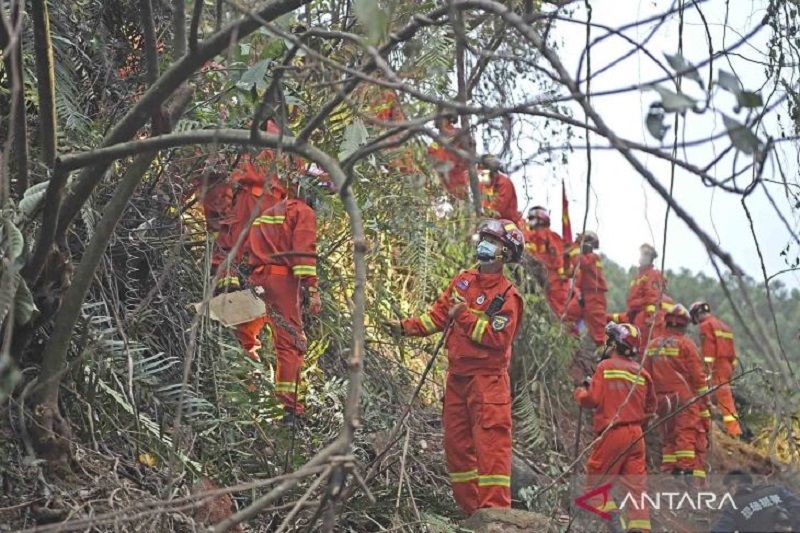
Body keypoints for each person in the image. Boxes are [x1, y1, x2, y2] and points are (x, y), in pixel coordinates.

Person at [386, 219, 524, 515]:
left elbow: (496, 338)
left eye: (493, 241)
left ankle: (496, 519)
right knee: (457, 449)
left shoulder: (508, 297)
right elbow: (437, 317)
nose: (485, 244)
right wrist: (403, 328)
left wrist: (463, 316)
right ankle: (472, 515)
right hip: (457, 380)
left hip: (488, 383)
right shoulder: (463, 280)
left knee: (491, 452)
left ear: (505, 252)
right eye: (484, 238)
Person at [574, 322, 656, 533]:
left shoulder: (605, 367)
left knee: (594, 485)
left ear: (615, 344)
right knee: (636, 489)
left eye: (610, 341)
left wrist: (580, 393)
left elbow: (591, 399)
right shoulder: (642, 373)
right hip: (637, 437)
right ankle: (640, 529)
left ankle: (613, 522)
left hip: (614, 433)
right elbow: (651, 406)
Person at [643, 304, 708, 482]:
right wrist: (705, 400)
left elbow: (645, 376)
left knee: (668, 436)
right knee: (685, 434)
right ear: (684, 325)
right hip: (684, 400)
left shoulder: (652, 345)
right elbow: (698, 376)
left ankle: (668, 470)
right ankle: (684, 473)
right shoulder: (686, 344)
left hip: (662, 401)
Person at [689, 301, 743, 438]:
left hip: (716, 368)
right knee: (720, 397)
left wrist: (707, 370)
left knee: (722, 400)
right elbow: (733, 352)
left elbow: (708, 351)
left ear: (697, 314)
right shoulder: (725, 326)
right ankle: (725, 429)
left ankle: (733, 432)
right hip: (727, 366)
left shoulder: (705, 326)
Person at [711, 470, 800, 532]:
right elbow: (796, 505)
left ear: (733, 486)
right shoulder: (776, 490)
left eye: (727, 490)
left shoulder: (734, 507)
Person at [564, 231, 608, 346]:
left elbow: (582, 263)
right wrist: (566, 257)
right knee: (568, 318)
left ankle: (605, 357)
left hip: (595, 297)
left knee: (598, 333)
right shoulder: (581, 259)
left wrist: (573, 250)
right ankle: (573, 344)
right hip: (582, 296)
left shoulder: (593, 257)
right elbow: (568, 273)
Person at [523, 206, 569, 315]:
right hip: (536, 276)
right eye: (529, 219)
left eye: (532, 219)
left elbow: (558, 258)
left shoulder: (551, 236)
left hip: (553, 281)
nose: (529, 222)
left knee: (555, 311)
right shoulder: (528, 235)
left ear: (541, 219)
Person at [625, 244, 668, 347]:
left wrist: (650, 317)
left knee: (643, 347)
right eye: (641, 254)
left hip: (645, 317)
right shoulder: (638, 277)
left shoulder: (652, 274)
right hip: (635, 315)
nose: (642, 257)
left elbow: (653, 298)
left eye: (645, 255)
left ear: (650, 258)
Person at [428, 115, 471, 199]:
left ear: (449, 120)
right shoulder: (436, 140)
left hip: (458, 177)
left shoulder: (457, 132)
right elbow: (431, 154)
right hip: (443, 180)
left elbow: (468, 152)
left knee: (461, 202)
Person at [478, 155, 518, 221]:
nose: (482, 176)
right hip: (487, 222)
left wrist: (484, 214)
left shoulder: (504, 183)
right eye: (481, 174)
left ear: (493, 173)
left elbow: (498, 208)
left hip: (506, 223)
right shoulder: (482, 185)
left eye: (484, 174)